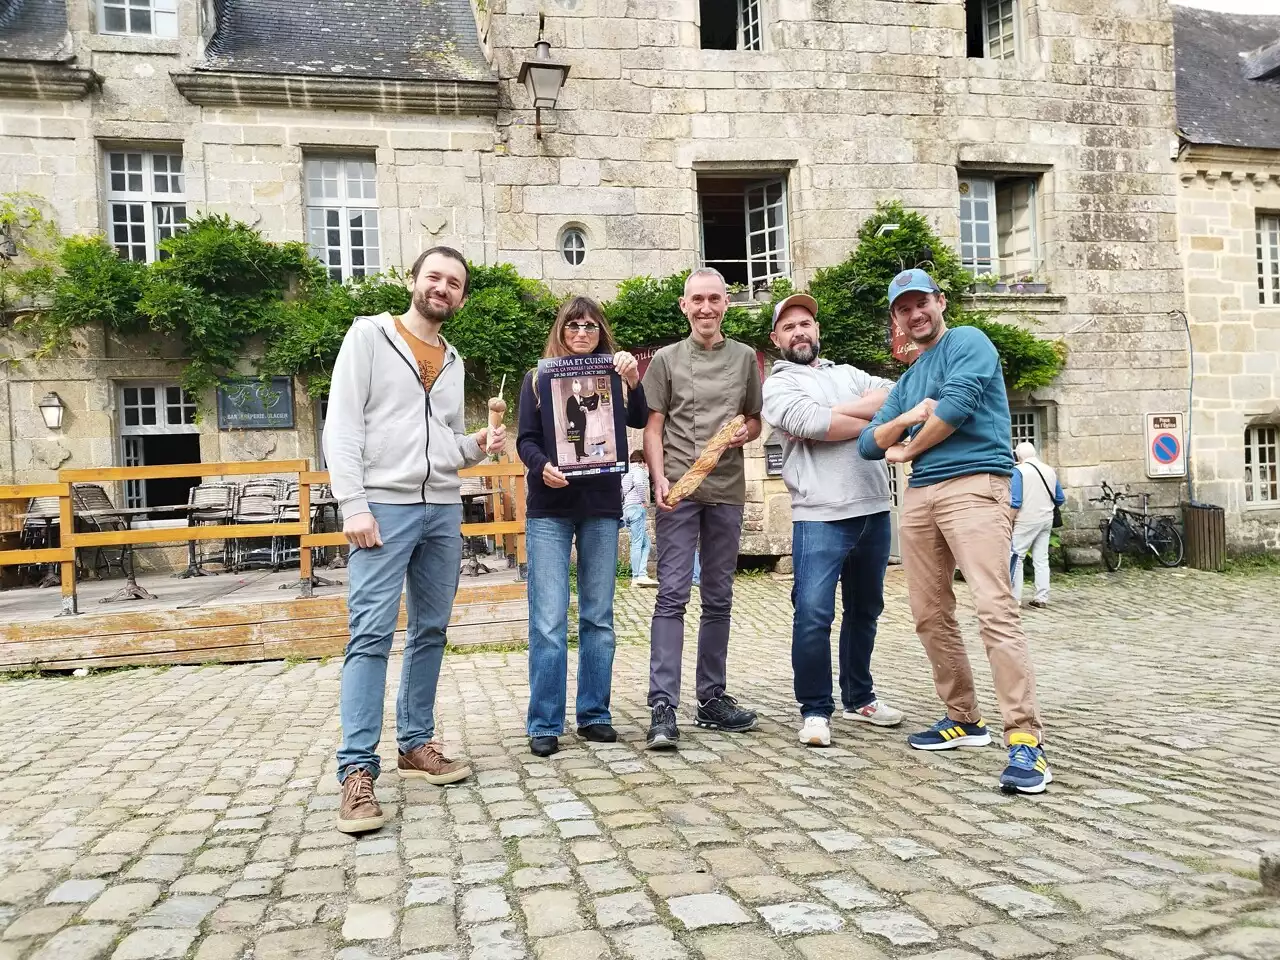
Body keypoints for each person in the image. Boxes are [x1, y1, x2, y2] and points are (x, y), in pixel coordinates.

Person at [325, 246, 505, 834]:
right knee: (371, 634)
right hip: (382, 506)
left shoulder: (452, 360)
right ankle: (356, 772)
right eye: (435, 277)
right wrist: (352, 503)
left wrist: (477, 446)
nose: (443, 289)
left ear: (462, 297)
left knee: (430, 630)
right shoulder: (369, 338)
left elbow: (445, 443)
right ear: (414, 280)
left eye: (455, 283)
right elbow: (343, 424)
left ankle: (415, 743)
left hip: (441, 511)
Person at [857, 268, 1049, 795]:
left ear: (940, 303)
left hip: (975, 486)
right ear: (896, 318)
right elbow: (868, 445)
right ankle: (964, 717)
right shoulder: (909, 378)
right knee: (929, 612)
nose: (914, 314)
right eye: (903, 308)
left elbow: (957, 410)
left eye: (922, 303)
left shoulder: (968, 341)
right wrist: (906, 422)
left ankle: (1025, 739)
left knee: (993, 608)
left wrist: (908, 445)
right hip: (920, 497)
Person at [762, 293, 905, 748]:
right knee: (812, 614)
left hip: (874, 507)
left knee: (866, 610)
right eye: (789, 327)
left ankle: (859, 697)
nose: (799, 331)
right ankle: (815, 710)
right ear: (776, 339)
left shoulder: (848, 374)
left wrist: (842, 415)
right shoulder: (777, 385)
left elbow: (896, 399)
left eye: (805, 323)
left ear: (817, 330)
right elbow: (813, 425)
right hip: (820, 513)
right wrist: (868, 417)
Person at [516, 296, 647, 758]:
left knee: (599, 616)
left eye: (590, 325)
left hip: (601, 504)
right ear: (561, 329)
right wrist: (541, 467)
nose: (581, 332)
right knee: (548, 621)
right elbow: (525, 440)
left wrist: (634, 381)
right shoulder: (538, 378)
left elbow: (637, 419)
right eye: (573, 325)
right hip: (550, 508)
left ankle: (594, 714)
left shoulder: (613, 376)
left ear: (600, 332)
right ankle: (545, 720)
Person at [642, 267, 763, 750]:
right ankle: (662, 705)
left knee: (719, 597)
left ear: (726, 305)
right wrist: (658, 478)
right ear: (684, 305)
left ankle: (712, 697)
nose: (707, 307)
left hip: (728, 488)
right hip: (678, 489)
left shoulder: (746, 358)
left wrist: (745, 434)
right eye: (698, 300)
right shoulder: (667, 361)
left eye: (715, 299)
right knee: (671, 595)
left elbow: (754, 420)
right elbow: (653, 427)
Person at [1010, 441, 1065, 608]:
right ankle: (1042, 598)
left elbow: (1016, 501)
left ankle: (1014, 599)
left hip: (1025, 520)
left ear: (1018, 456)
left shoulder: (1018, 471)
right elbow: (1060, 498)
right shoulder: (1049, 470)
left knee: (1016, 557)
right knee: (1041, 559)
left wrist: (1008, 520)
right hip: (1046, 519)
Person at [622, 451, 657, 587]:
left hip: (626, 509)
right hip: (636, 507)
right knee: (637, 542)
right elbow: (639, 484)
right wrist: (643, 500)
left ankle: (641, 574)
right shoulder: (638, 470)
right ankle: (637, 577)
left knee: (645, 543)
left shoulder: (625, 472)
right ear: (642, 460)